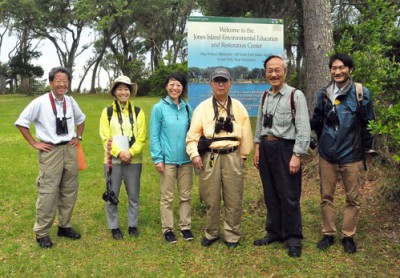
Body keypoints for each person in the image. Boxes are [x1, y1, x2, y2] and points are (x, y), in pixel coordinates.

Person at [15, 67, 86, 248]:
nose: (62, 84)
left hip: (69, 150)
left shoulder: (70, 101)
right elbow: (22, 123)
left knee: (69, 190)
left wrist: (78, 136)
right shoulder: (40, 102)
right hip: (51, 151)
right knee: (48, 192)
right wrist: (34, 142)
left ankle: (65, 226)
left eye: (65, 81)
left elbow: (81, 119)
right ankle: (42, 233)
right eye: (58, 81)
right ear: (51, 82)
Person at [311, 53, 375, 254]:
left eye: (342, 67)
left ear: (350, 70)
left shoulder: (361, 93)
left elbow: (368, 124)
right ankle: (328, 233)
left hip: (352, 155)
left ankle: (348, 236)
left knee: (352, 198)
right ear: (330, 70)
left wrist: (367, 149)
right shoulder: (323, 94)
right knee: (326, 196)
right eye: (334, 68)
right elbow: (317, 121)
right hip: (327, 155)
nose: (337, 71)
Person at [186, 68, 253, 248]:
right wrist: (194, 155)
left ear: (230, 83)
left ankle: (232, 234)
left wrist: (243, 156)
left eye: (224, 81)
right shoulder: (202, 108)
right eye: (217, 81)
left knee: (234, 198)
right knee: (211, 197)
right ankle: (211, 232)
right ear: (211, 84)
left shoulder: (238, 107)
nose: (221, 84)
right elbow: (192, 137)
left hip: (232, 155)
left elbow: (246, 133)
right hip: (211, 156)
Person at [253, 55, 310, 258]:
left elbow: (303, 128)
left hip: (286, 149)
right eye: (270, 70)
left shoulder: (296, 95)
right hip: (267, 149)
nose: (274, 74)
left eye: (278, 70)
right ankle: (274, 232)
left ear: (285, 72)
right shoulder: (264, 96)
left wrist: (297, 155)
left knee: (289, 195)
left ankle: (293, 238)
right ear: (265, 73)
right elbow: (260, 125)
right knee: (270, 193)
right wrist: (258, 147)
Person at [99, 75, 146, 240]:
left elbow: (141, 137)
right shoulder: (108, 112)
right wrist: (120, 153)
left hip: (134, 160)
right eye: (119, 89)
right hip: (113, 160)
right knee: (113, 194)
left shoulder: (139, 112)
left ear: (130, 92)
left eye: (126, 89)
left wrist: (130, 153)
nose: (123, 92)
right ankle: (114, 227)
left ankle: (132, 225)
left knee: (133, 194)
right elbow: (106, 137)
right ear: (114, 91)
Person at [150, 72, 194, 244]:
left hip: (185, 160)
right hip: (167, 160)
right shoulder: (158, 108)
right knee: (167, 197)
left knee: (185, 195)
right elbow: (154, 135)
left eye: (178, 85)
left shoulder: (187, 107)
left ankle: (185, 227)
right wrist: (157, 158)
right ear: (166, 86)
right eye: (172, 84)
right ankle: (168, 229)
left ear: (183, 88)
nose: (175, 88)